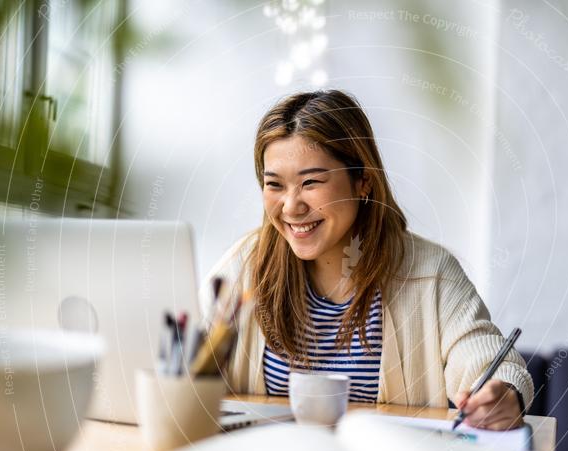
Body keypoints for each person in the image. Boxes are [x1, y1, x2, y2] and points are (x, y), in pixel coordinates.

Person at [202, 89, 533, 430]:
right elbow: (185, 357)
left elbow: (482, 354)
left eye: (311, 182)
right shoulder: (244, 265)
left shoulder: (429, 271)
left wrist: (503, 392)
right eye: (275, 185)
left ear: (363, 182)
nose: (291, 207)